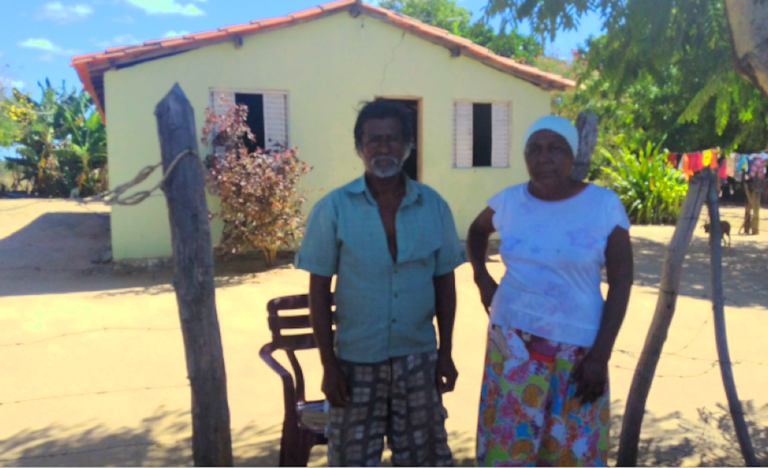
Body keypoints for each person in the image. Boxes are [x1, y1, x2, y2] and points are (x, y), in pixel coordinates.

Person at [295, 99, 466, 466]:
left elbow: (445, 286)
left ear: (408, 145)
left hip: (418, 357)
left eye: (393, 138)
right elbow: (319, 293)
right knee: (352, 459)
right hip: (356, 361)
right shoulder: (333, 209)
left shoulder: (434, 206)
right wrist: (329, 365)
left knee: (425, 458)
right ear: (360, 147)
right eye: (374, 140)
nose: (383, 147)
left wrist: (446, 353)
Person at [466, 116, 633, 466]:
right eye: (534, 150)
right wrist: (482, 279)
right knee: (510, 446)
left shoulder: (603, 205)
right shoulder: (508, 201)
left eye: (555, 149)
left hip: (579, 353)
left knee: (571, 449)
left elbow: (621, 282)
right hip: (511, 343)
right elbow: (476, 232)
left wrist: (600, 357)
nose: (544, 158)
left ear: (573, 155)